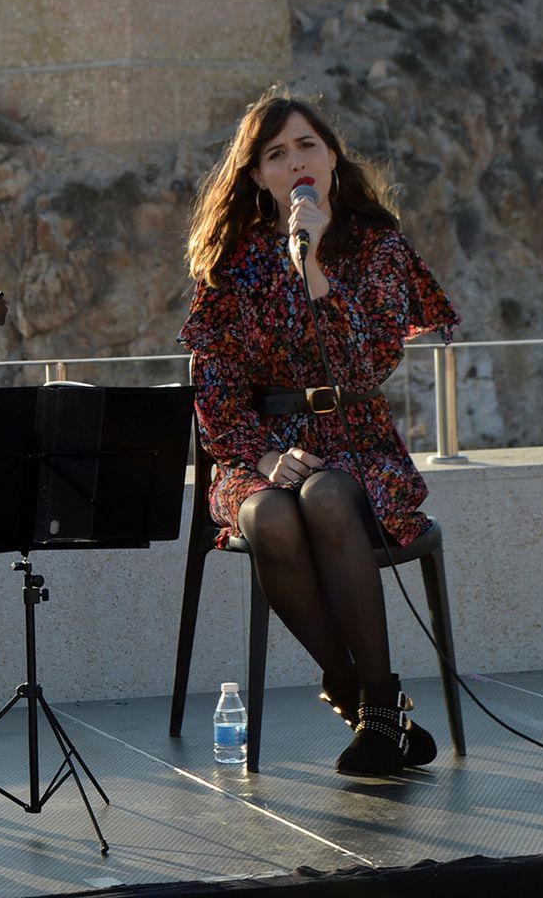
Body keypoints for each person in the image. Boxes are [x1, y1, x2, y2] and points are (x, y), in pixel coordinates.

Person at [180, 91, 460, 777]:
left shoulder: (377, 247)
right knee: (271, 516)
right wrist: (263, 453)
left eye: (306, 145)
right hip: (259, 450)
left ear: (332, 156)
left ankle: (373, 707)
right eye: (276, 154)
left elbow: (369, 364)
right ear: (256, 177)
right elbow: (212, 386)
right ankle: (363, 694)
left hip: (358, 440)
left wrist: (311, 269)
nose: (295, 162)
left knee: (328, 499)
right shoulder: (230, 263)